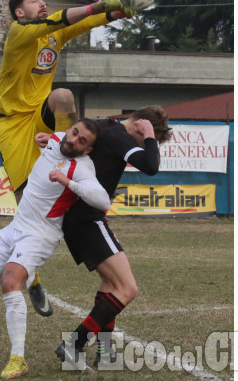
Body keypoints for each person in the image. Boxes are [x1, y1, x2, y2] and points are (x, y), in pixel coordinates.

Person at [0, 0, 136, 317]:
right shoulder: (19, 31)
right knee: (26, 201)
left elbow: (84, 23)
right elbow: (68, 17)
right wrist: (98, 4)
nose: (41, 3)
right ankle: (33, 279)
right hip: (13, 122)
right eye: (34, 0)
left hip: (41, 113)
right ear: (19, 12)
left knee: (63, 96)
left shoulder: (53, 35)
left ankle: (72, 153)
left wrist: (120, 10)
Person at [0, 119, 111, 380]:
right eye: (74, 133)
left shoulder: (82, 168)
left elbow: (103, 200)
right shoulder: (57, 138)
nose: (73, 140)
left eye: (82, 141)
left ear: (88, 151)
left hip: (40, 235)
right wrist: (45, 138)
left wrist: (67, 182)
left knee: (10, 282)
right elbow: (51, 138)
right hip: (14, 228)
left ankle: (18, 359)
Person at [36, 106, 172, 372]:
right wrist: (149, 138)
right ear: (140, 125)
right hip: (87, 220)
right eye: (143, 136)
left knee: (111, 283)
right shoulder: (122, 135)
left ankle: (105, 352)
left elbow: (77, 133)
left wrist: (53, 137)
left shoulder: (105, 125)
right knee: (127, 289)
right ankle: (74, 344)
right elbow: (151, 166)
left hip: (80, 218)